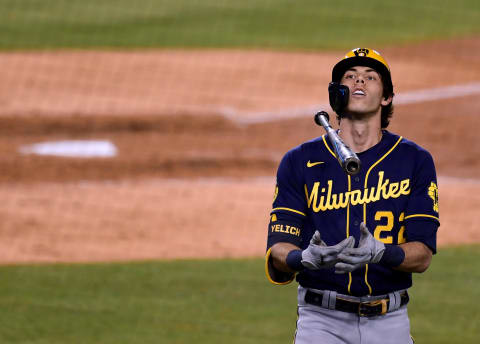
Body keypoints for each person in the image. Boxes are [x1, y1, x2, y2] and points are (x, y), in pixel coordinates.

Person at [265, 48, 439, 344]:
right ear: (337, 94)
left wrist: (385, 252)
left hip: (390, 322)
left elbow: (422, 255)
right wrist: (302, 258)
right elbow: (278, 248)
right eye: (350, 76)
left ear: (386, 97)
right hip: (320, 322)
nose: (359, 81)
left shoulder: (414, 160)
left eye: (370, 77)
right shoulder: (299, 160)